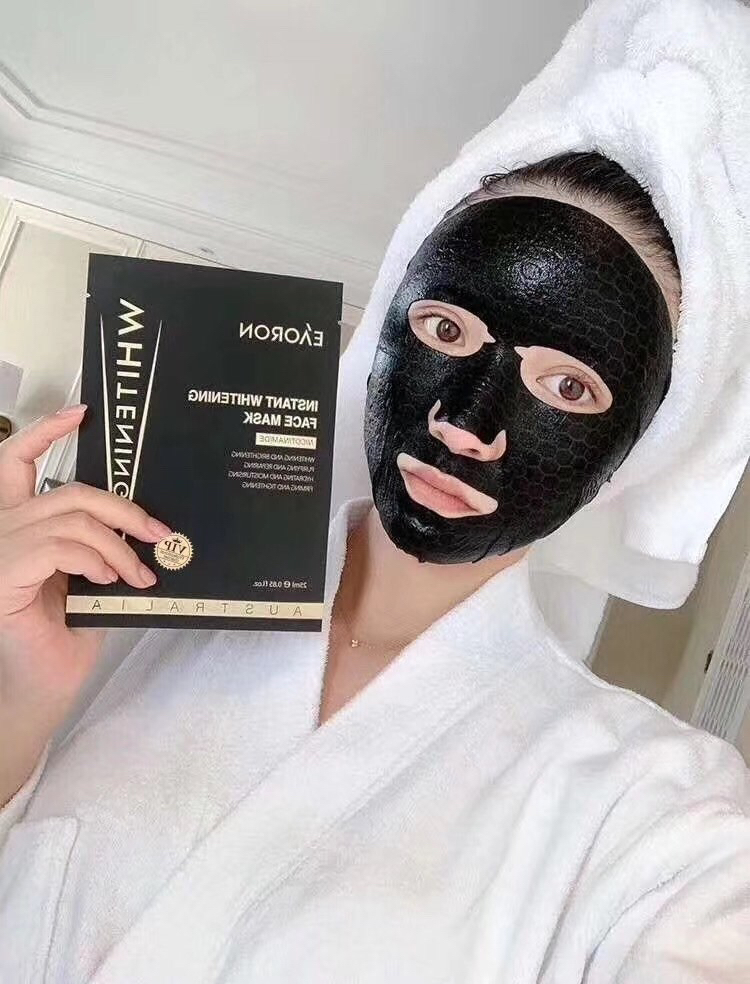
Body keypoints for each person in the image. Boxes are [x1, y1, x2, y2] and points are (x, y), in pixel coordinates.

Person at [1, 0, 749, 981]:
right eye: (446, 330)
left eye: (568, 387)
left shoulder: (659, 820)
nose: (467, 422)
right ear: (383, 331)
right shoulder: (124, 616)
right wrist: (18, 696)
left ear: (626, 457)